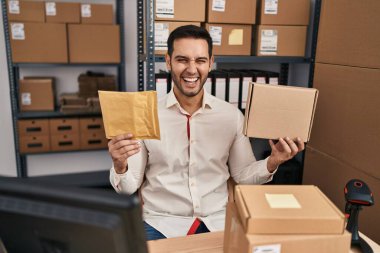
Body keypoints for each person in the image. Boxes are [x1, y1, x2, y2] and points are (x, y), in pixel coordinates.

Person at [108, 25, 304, 240]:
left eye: (200, 60)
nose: (192, 70)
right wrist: (120, 165)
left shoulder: (231, 116)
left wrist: (272, 161)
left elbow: (243, 176)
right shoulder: (145, 115)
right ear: (168, 61)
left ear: (211, 62)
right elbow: (127, 188)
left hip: (217, 221)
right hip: (161, 223)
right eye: (182, 59)